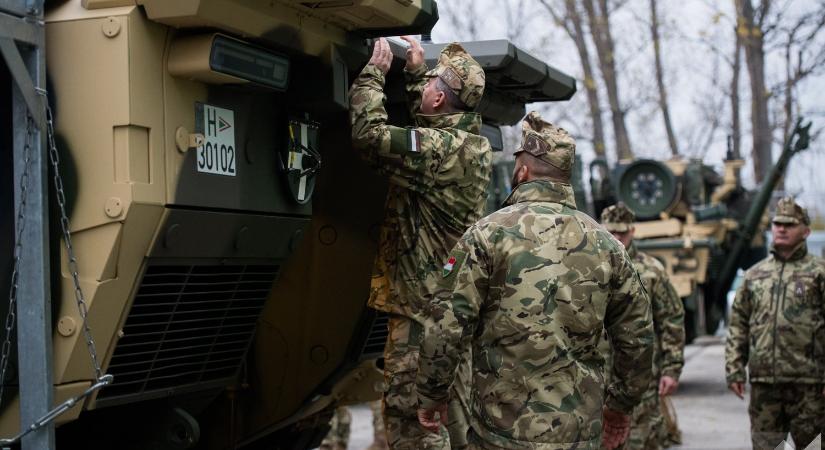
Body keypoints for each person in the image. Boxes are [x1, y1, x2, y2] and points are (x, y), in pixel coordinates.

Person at [415, 111, 654, 450]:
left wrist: (431, 394)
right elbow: (638, 337)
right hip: (578, 433)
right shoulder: (608, 245)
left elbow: (446, 324)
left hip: (500, 433)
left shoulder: (486, 236)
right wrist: (620, 406)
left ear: (523, 171)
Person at [349, 35, 491, 449]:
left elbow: (369, 135)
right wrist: (415, 77)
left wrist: (373, 74)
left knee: (413, 427)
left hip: (419, 321)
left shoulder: (437, 150)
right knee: (450, 425)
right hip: (447, 316)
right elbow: (429, 132)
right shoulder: (471, 145)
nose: (427, 84)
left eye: (433, 83)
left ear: (439, 101)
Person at [725, 197, 825, 450]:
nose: (781, 228)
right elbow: (738, 325)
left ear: (805, 231)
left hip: (809, 385)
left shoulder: (818, 273)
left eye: (789, 224)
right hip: (764, 386)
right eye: (777, 223)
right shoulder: (754, 275)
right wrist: (735, 367)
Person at [601, 204, 685, 450]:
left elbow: (672, 318)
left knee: (643, 439)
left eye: (622, 233)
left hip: (640, 378)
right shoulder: (588, 268)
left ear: (633, 231)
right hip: (596, 381)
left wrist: (672, 368)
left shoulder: (652, 271)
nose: (616, 239)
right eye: (611, 232)